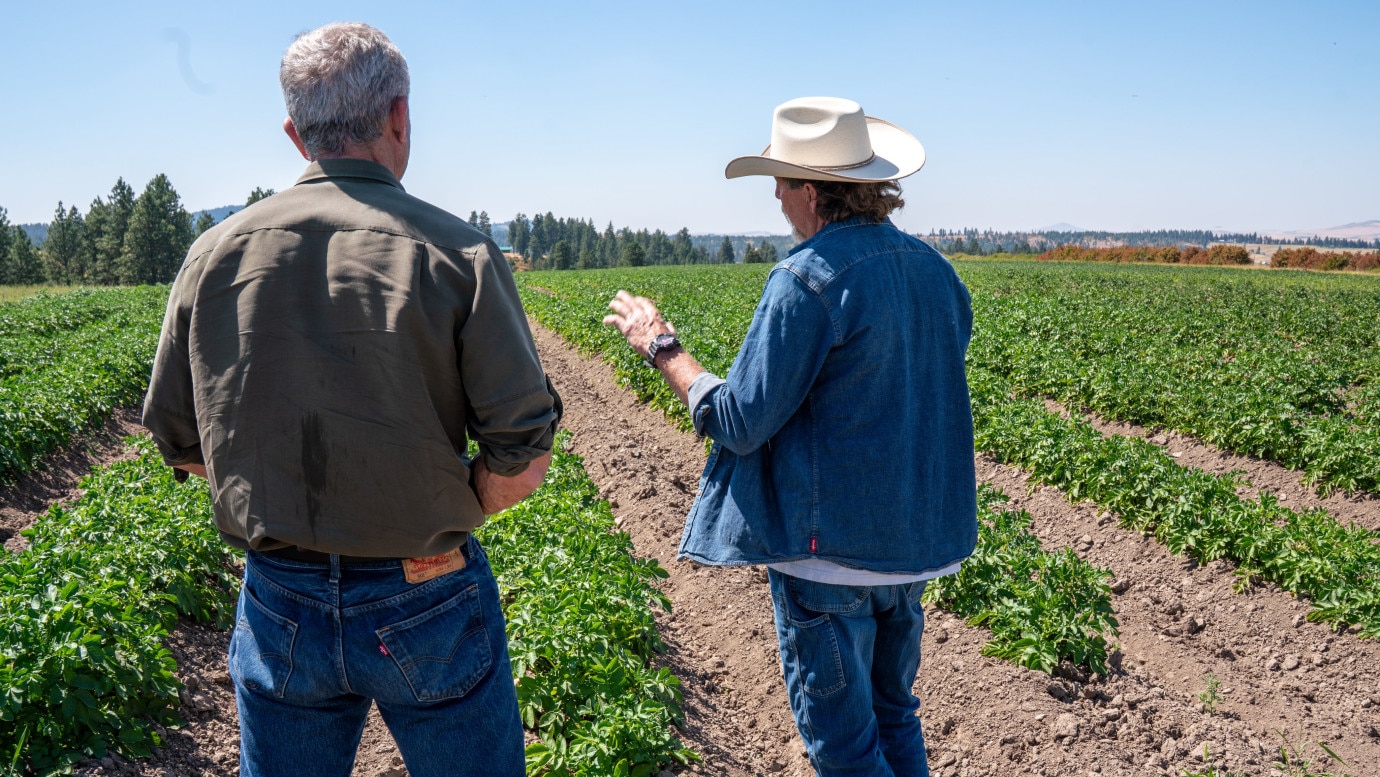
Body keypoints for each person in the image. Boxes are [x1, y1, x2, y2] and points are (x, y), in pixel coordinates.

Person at [141, 22, 560, 777]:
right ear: (399, 116)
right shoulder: (459, 253)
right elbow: (522, 457)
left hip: (280, 596)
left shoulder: (213, 256)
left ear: (295, 134)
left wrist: (280, 490)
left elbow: (179, 438)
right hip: (425, 590)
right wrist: (449, 503)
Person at [603, 96, 977, 776]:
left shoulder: (806, 278)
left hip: (828, 558)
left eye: (779, 181)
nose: (775, 196)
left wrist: (662, 347)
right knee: (895, 715)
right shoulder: (938, 274)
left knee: (845, 748)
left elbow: (740, 421)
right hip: (913, 548)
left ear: (810, 191)